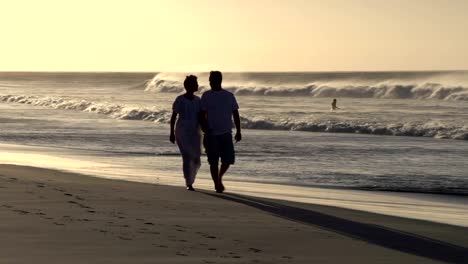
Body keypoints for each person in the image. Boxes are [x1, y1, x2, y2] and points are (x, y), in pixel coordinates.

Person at [200, 71, 241, 193]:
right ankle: (217, 183)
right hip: (211, 134)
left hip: (226, 133)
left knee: (228, 160)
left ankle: (219, 177)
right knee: (213, 161)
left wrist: (238, 131)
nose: (210, 82)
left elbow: (236, 114)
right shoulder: (206, 95)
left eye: (212, 79)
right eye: (210, 79)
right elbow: (202, 114)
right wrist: (205, 128)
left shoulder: (229, 96)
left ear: (219, 80)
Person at [169, 75, 202, 191]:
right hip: (182, 131)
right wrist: (172, 133)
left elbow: (201, 117)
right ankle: (189, 183)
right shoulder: (180, 100)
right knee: (187, 157)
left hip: (195, 132)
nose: (198, 85)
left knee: (197, 159)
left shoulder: (198, 101)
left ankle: (191, 178)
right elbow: (173, 117)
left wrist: (207, 130)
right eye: (195, 83)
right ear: (189, 86)